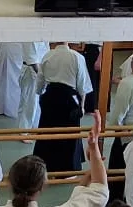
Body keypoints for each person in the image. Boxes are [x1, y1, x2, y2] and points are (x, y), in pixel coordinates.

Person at [34, 41, 91, 172]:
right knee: (69, 134)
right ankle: (68, 168)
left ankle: (44, 165)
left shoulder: (48, 55)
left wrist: (40, 93)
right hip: (69, 99)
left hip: (50, 97)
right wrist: (82, 106)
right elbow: (83, 85)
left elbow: (40, 81)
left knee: (47, 131)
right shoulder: (77, 57)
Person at [0, 40, 47, 127]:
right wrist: (41, 75)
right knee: (28, 106)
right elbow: (32, 60)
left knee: (35, 105)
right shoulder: (30, 39)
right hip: (31, 71)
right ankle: (24, 131)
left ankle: (34, 128)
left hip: (39, 70)